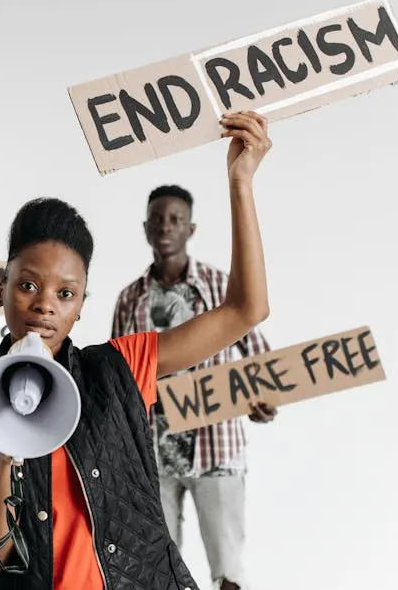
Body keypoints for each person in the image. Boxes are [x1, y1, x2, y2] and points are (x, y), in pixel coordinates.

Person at [0, 110, 274, 590]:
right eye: (28, 285)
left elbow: (245, 309)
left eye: (65, 294)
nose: (45, 306)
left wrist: (241, 181)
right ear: (0, 288)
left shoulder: (120, 369)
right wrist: (8, 454)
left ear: (81, 307)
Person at [111, 182, 278, 590]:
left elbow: (261, 361)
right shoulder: (129, 299)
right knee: (156, 572)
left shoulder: (224, 287)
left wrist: (266, 400)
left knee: (228, 573)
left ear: (191, 229)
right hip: (152, 458)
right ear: (145, 228)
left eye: (176, 220)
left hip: (216, 449)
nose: (165, 227)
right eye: (157, 219)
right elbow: (117, 378)